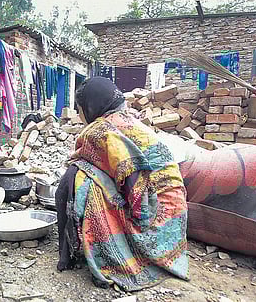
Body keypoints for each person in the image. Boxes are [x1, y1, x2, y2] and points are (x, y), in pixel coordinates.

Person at [55, 77, 189, 291]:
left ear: (91, 106)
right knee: (89, 169)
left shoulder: (99, 130)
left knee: (76, 176)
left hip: (153, 222)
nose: (80, 116)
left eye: (79, 109)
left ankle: (75, 253)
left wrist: (139, 218)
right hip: (174, 224)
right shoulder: (130, 120)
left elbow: (135, 183)